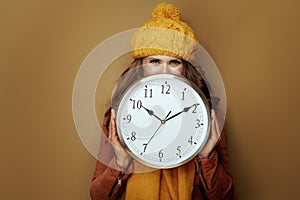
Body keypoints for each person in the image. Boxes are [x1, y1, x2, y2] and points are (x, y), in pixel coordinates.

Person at [90, 2, 234, 200]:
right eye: (155, 61)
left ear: (185, 68)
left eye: (174, 62)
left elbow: (224, 196)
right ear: (141, 66)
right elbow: (97, 197)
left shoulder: (206, 115)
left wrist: (206, 156)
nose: (164, 72)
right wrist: (121, 163)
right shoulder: (119, 116)